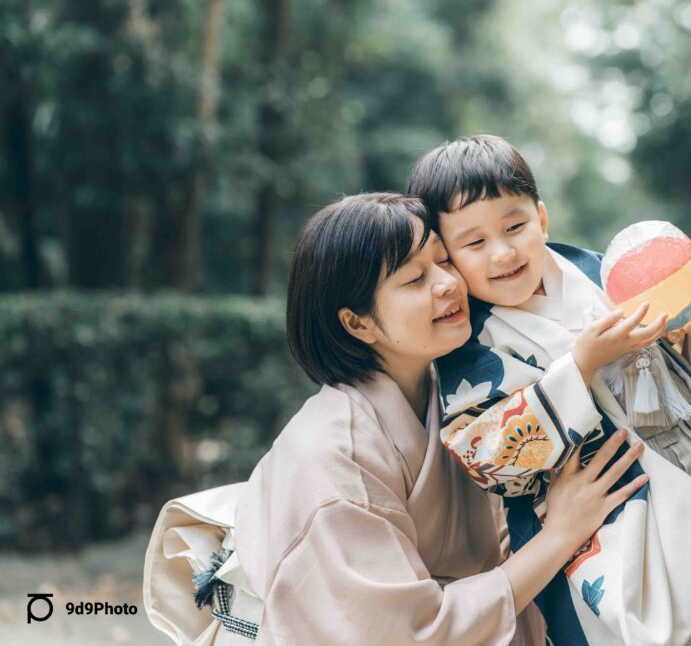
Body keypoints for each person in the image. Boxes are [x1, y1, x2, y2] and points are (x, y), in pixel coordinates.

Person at [407, 135, 691, 645]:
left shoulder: (604, 272)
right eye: (474, 243)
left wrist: (675, 334)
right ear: (446, 255)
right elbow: (486, 456)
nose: (503, 252)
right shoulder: (470, 345)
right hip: (608, 519)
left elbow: (666, 370)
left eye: (515, 226)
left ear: (543, 219)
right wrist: (581, 365)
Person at [145, 192, 651, 646]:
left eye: (442, 260)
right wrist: (558, 536)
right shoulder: (332, 456)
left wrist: (659, 334)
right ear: (357, 323)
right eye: (415, 278)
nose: (449, 283)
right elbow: (403, 634)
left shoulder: (456, 395)